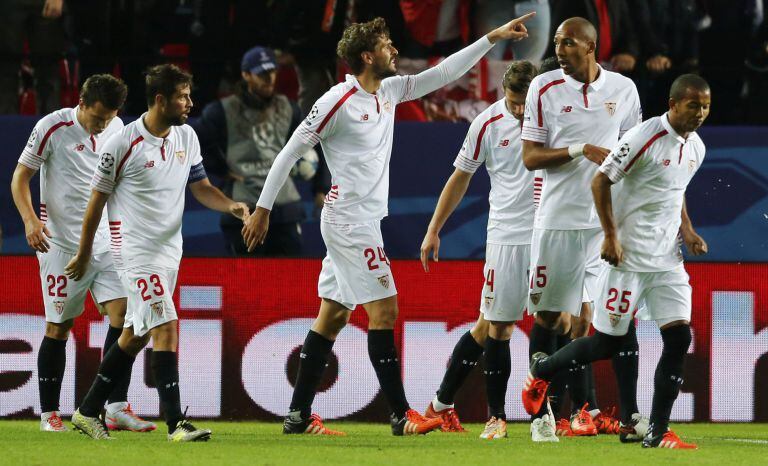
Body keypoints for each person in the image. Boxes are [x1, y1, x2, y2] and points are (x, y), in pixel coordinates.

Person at [243, 13, 536, 436]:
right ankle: (401, 416)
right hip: (348, 222)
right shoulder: (335, 102)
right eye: (386, 45)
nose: (394, 50)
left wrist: (491, 38)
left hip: (363, 220)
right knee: (385, 310)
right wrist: (263, 209)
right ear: (367, 55)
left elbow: (442, 72)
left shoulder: (390, 91)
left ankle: (297, 416)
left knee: (333, 315)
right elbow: (290, 152)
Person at [522, 73, 711, 450]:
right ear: (673, 104)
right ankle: (542, 369)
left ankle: (657, 430)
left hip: (666, 262)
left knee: (679, 337)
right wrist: (609, 236)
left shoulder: (696, 148)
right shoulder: (644, 137)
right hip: (626, 260)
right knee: (605, 344)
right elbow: (600, 181)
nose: (701, 113)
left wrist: (687, 229)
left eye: (706, 106)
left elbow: (676, 192)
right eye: (694, 106)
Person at [64, 64, 249, 441]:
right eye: (183, 96)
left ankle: (86, 411)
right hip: (134, 252)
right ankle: (176, 424)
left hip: (169, 253)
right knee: (165, 326)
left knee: (135, 335)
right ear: (161, 99)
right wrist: (84, 254)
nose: (190, 103)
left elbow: (200, 187)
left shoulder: (187, 137)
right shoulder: (123, 143)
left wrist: (230, 205)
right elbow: (95, 203)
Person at [420, 60, 559, 441]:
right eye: (513, 101)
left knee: (559, 322)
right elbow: (460, 177)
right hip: (507, 237)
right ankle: (496, 417)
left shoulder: (557, 117)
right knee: (497, 325)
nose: (518, 109)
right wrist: (434, 229)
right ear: (504, 94)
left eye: (524, 102)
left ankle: (549, 414)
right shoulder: (486, 123)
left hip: (552, 234)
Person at [520, 17, 645, 439]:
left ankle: (614, 417)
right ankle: (540, 414)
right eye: (556, 42)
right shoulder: (544, 87)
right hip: (557, 219)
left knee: (612, 316)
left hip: (604, 224)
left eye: (567, 42)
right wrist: (579, 149)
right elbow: (530, 158)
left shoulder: (624, 90)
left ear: (590, 47)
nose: (559, 49)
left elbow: (633, 155)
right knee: (551, 316)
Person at [10, 74, 155, 433]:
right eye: (97, 117)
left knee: (127, 318)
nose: (103, 124)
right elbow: (19, 178)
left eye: (109, 118)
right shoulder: (52, 126)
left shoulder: (118, 126)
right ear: (82, 102)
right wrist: (30, 221)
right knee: (59, 328)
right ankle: (49, 414)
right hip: (58, 244)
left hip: (105, 243)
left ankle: (115, 406)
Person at [194, 46, 307, 256]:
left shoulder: (290, 108)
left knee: (291, 284)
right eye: (261, 74)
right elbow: (195, 142)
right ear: (245, 75)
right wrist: (220, 169)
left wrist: (321, 187)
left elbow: (311, 147)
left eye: (272, 72)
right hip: (244, 209)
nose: (269, 78)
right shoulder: (220, 111)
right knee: (248, 284)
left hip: (285, 210)